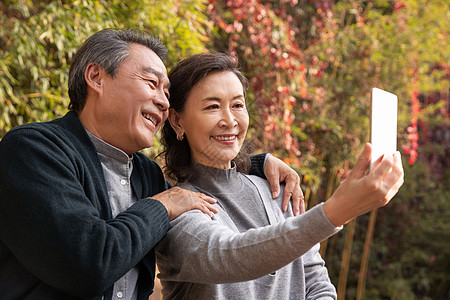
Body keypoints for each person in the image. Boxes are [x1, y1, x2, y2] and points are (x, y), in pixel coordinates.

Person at [0, 29, 305, 300]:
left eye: (167, 92)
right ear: (96, 78)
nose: (163, 101)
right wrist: (162, 206)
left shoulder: (146, 175)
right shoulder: (34, 149)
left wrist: (258, 163)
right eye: (151, 83)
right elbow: (88, 264)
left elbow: (206, 173)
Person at [155, 53, 404, 299]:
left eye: (238, 105)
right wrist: (336, 212)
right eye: (212, 107)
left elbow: (315, 282)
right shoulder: (178, 208)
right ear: (177, 121)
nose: (229, 120)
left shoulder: (275, 188)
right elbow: (231, 256)